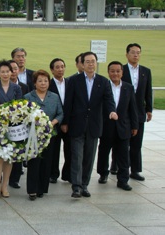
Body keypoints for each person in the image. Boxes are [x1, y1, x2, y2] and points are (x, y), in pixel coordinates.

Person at [62, 51, 118, 198]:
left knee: (89, 157)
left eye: (93, 61)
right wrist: (65, 122)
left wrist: (112, 111)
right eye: (87, 61)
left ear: (96, 63)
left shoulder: (103, 81)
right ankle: (76, 186)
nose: (90, 64)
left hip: (94, 125)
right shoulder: (75, 81)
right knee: (77, 157)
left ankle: (84, 185)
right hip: (77, 124)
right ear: (82, 64)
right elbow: (68, 103)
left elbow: (109, 100)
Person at [97, 61, 138, 191]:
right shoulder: (103, 86)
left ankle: (123, 180)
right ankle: (103, 174)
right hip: (106, 127)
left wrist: (134, 126)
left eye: (118, 71)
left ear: (122, 72)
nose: (115, 74)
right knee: (103, 152)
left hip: (123, 127)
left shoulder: (128, 87)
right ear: (108, 72)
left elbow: (133, 108)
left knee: (123, 155)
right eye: (112, 71)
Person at [24, 69, 63, 200]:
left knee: (46, 162)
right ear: (34, 83)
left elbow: (60, 113)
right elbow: (23, 115)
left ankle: (42, 188)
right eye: (40, 81)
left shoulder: (55, 97)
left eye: (45, 81)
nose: (43, 83)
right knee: (34, 163)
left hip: (49, 134)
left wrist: (54, 122)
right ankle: (32, 190)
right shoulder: (28, 97)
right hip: (33, 135)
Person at [0, 60, 22, 199]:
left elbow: (19, 107)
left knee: (9, 158)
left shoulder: (16, 88)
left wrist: (3, 107)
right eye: (2, 71)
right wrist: (7, 107)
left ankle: (5, 185)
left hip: (13, 127)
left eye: (8, 71)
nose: (6, 74)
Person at [120, 43, 152, 181]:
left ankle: (135, 170)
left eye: (138, 52)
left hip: (138, 112)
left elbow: (148, 91)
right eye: (133, 52)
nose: (136, 55)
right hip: (124, 112)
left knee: (136, 143)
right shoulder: (121, 70)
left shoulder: (146, 71)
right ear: (127, 54)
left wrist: (149, 109)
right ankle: (119, 167)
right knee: (121, 142)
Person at [48, 58, 71, 183]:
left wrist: (66, 122)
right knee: (54, 149)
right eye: (57, 67)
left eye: (62, 66)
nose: (60, 69)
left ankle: (67, 174)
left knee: (70, 150)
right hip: (54, 123)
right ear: (52, 70)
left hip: (68, 123)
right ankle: (53, 174)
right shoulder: (49, 85)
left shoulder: (70, 83)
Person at [8, 60, 29, 189]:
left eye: (15, 69)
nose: (13, 71)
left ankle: (15, 179)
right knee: (3, 152)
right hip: (4, 125)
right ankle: (1, 176)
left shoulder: (24, 86)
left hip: (20, 126)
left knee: (18, 152)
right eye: (11, 69)